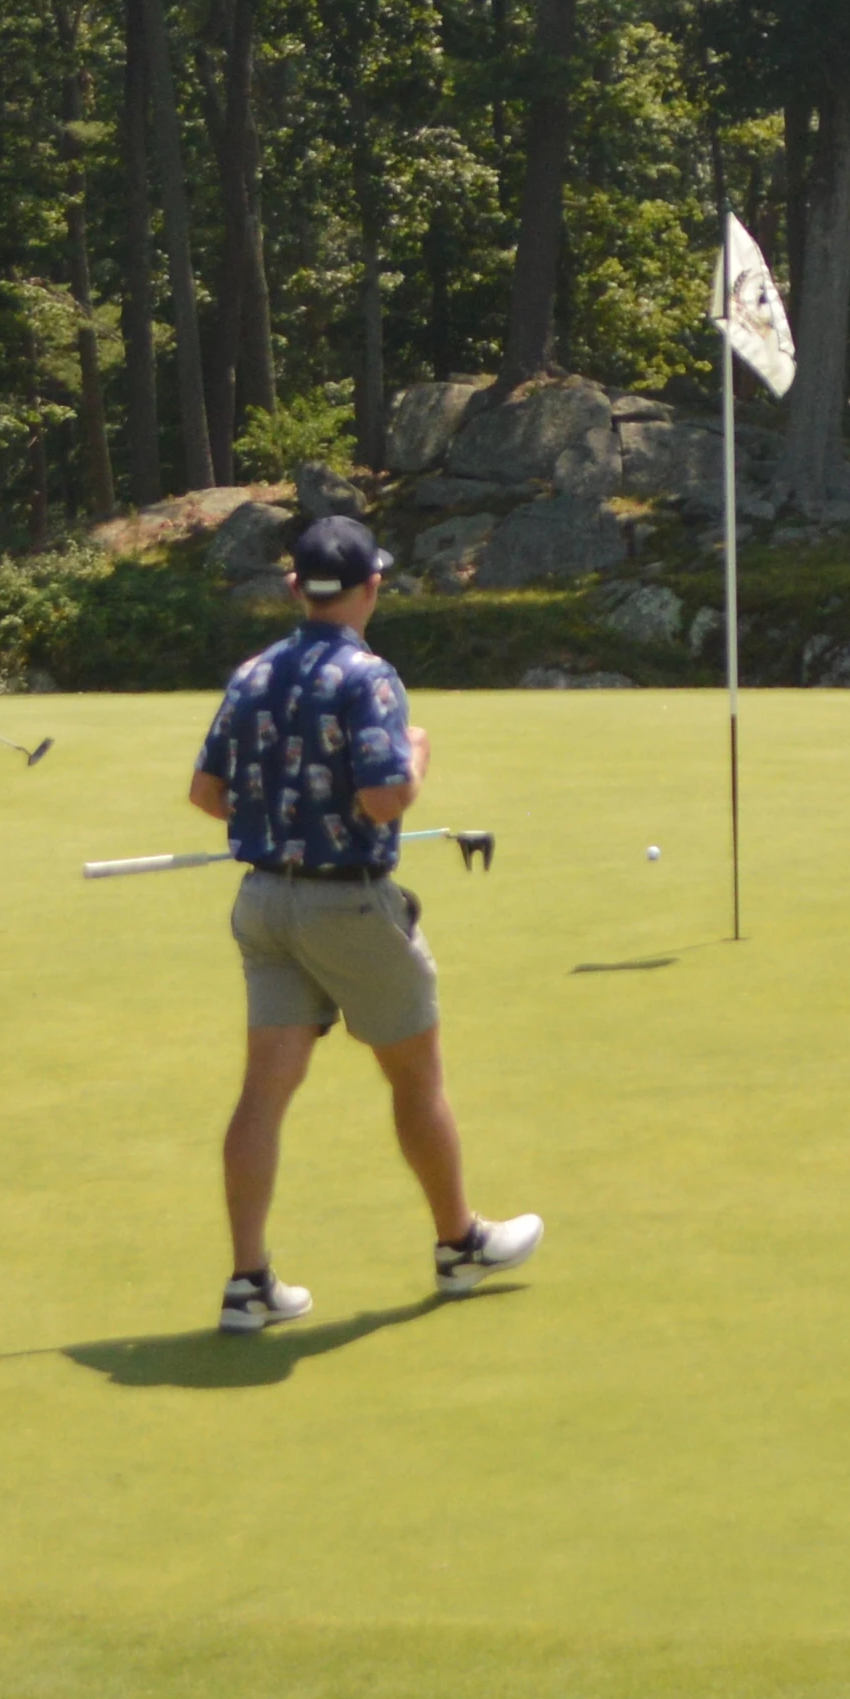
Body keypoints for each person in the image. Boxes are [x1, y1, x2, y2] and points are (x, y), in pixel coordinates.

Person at [191, 510, 539, 1332]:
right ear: (372, 588)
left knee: (262, 1096)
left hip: (263, 904)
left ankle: (249, 1284)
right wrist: (417, 754)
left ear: (294, 589)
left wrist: (283, 808)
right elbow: (386, 797)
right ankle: (459, 1245)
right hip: (347, 904)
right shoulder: (369, 676)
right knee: (417, 1081)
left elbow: (208, 796)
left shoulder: (252, 673)